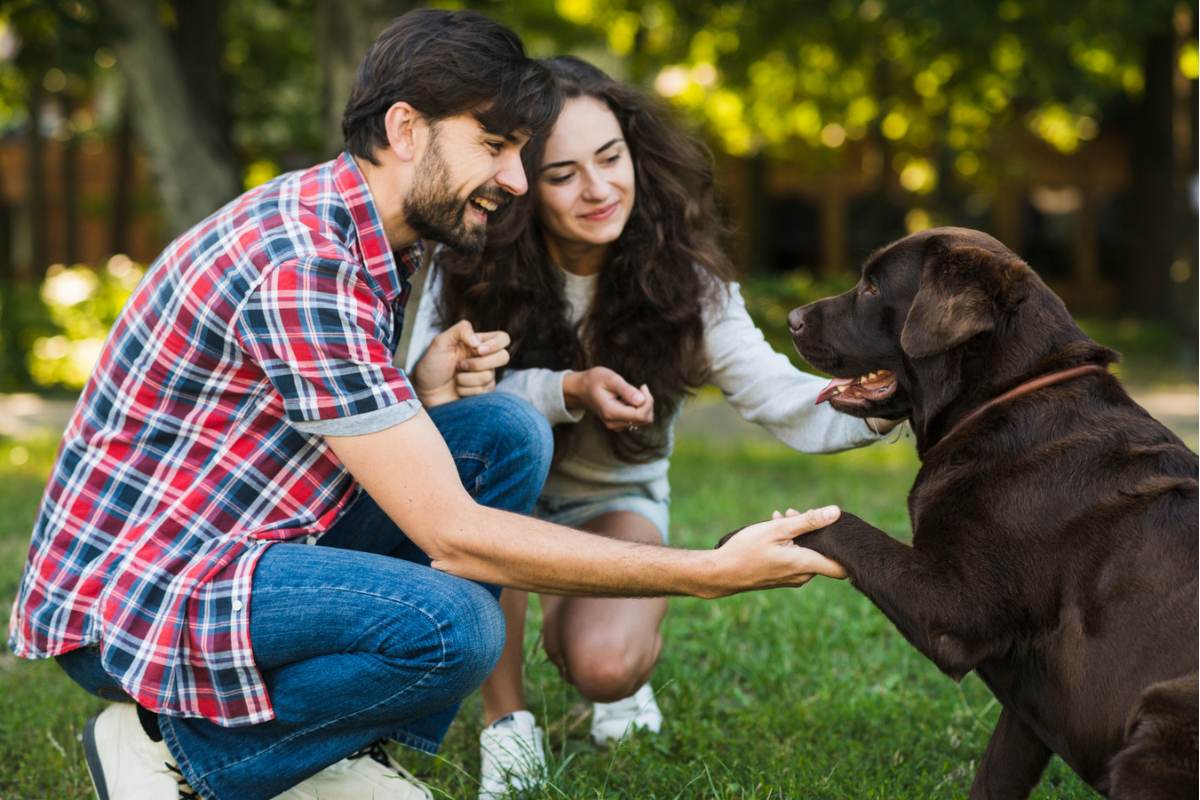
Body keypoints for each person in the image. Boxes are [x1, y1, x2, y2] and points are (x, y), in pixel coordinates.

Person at [7, 12, 849, 800]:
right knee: (452, 628)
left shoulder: (372, 233)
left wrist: (422, 392)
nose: (515, 180)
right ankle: (180, 750)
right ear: (407, 130)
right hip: (138, 601)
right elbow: (452, 534)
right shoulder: (305, 264)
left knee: (503, 432)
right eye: (497, 146)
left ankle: (325, 746)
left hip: (243, 545)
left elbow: (306, 429)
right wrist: (711, 571)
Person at [408, 55, 901, 799]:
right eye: (563, 173)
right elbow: (416, 389)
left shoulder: (686, 281)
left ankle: (605, 656)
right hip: (494, 497)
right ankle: (507, 725)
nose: (599, 188)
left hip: (613, 502)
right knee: (501, 451)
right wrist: (565, 388)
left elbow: (777, 395)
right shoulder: (464, 264)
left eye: (610, 159)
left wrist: (886, 400)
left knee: (605, 667)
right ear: (518, 186)